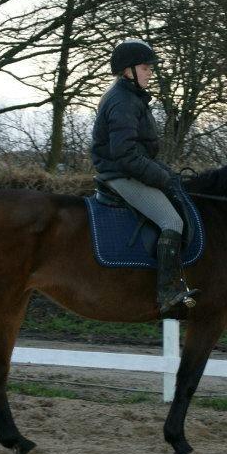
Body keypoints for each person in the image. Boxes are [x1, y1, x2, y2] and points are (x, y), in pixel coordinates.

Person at [90, 38, 198, 314]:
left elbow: (141, 152)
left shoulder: (131, 97)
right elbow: (126, 155)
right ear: (128, 70)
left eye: (151, 67)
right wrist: (162, 178)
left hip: (128, 169)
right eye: (145, 67)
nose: (150, 71)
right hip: (119, 174)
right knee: (171, 221)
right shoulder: (122, 100)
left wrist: (167, 173)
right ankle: (168, 292)